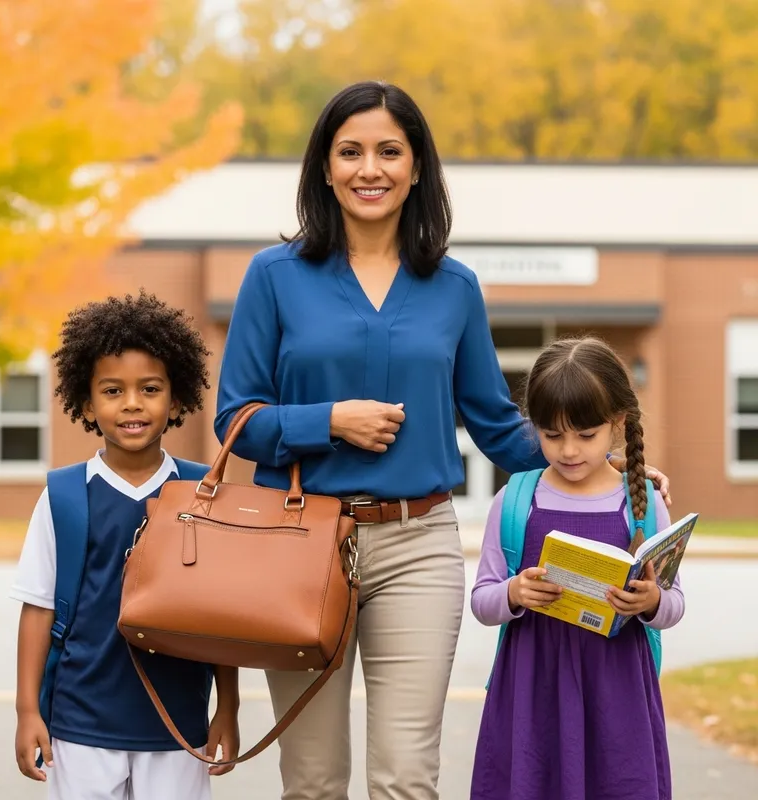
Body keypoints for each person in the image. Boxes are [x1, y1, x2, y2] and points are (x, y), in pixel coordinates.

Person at [215, 81, 669, 799]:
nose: (371, 168)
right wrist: (327, 421)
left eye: (390, 151)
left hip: (417, 546)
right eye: (351, 151)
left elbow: (495, 424)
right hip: (299, 549)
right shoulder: (273, 277)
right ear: (324, 168)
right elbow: (235, 420)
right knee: (312, 778)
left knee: (406, 777)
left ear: (418, 166)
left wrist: (610, 469)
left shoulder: (453, 286)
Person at [11, 292, 240, 800]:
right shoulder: (63, 495)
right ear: (87, 402)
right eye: (113, 390)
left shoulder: (204, 492)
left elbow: (222, 618)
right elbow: (38, 610)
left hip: (177, 723)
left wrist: (229, 706)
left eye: (150, 389)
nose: (132, 403)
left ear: (176, 399)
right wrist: (28, 710)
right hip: (80, 723)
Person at [470, 336, 684, 800]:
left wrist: (650, 603)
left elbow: (674, 605)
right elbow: (482, 602)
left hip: (617, 690)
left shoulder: (642, 505)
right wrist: (513, 593)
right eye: (551, 435)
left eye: (585, 435)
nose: (568, 450)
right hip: (531, 689)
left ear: (618, 423)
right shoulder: (515, 501)